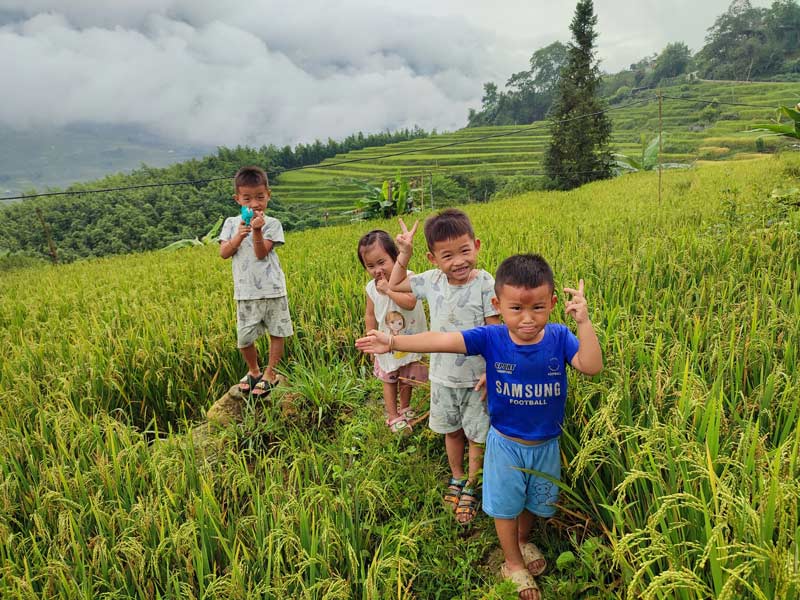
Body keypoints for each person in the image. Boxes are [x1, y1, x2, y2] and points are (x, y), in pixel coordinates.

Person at [357, 254, 603, 600]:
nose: (528, 319)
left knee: (534, 504)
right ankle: (512, 563)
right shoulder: (493, 338)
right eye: (516, 308)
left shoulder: (560, 337)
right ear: (497, 305)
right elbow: (442, 340)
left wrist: (584, 322)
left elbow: (591, 366)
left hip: (546, 444)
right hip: (505, 444)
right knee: (505, 506)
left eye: (537, 308)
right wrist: (394, 342)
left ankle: (521, 540)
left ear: (552, 303)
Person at [388, 208, 500, 524]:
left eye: (465, 251)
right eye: (447, 255)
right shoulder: (431, 281)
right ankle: (457, 475)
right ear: (432, 259)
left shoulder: (485, 282)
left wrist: (492, 370)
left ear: (476, 246)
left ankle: (473, 486)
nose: (458, 261)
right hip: (442, 377)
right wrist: (403, 255)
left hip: (477, 379)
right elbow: (395, 286)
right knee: (452, 431)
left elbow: (494, 331)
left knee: (477, 434)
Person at [219, 166, 293, 397]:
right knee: (244, 337)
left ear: (268, 195)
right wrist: (238, 237)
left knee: (276, 332)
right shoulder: (232, 223)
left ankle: (270, 373)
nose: (254, 204)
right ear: (237, 199)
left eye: (260, 197)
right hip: (245, 291)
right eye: (247, 198)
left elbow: (261, 254)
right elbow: (224, 253)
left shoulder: (272, 224)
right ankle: (253, 371)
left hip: (272, 289)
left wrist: (257, 232)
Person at [358, 230, 429, 433]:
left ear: (396, 257)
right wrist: (370, 338)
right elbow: (370, 315)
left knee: (407, 376)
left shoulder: (409, 278)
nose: (377, 270)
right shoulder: (371, 289)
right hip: (386, 343)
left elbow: (409, 302)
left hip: (410, 340)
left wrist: (389, 290)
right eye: (370, 266)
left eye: (382, 262)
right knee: (389, 378)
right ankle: (392, 415)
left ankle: (405, 407)